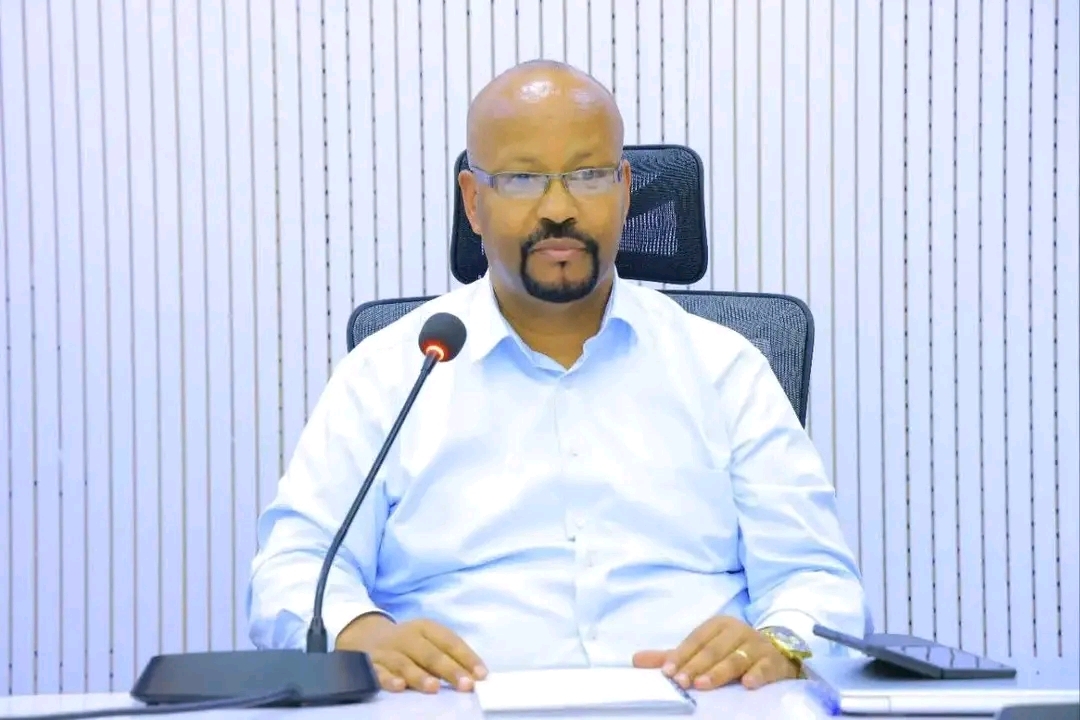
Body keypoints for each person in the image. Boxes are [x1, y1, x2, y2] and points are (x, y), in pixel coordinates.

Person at [247, 59, 870, 695]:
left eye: (588, 175)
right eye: (522, 179)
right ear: (474, 202)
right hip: (453, 704)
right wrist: (358, 631)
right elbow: (294, 566)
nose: (559, 209)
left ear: (625, 190)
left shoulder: (724, 367)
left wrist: (782, 641)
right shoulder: (394, 371)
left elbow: (817, 578)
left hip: (701, 701)